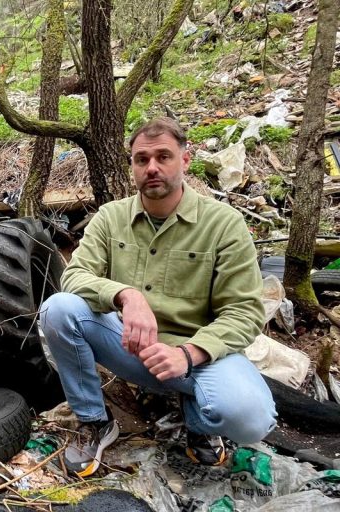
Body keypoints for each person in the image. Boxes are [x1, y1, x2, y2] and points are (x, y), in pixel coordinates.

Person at [40, 117, 277, 478]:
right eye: (141, 159)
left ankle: (199, 421)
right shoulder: (110, 217)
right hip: (131, 347)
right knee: (58, 309)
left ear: (185, 159)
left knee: (251, 418)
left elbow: (244, 312)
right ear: (132, 165)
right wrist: (125, 296)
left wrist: (188, 354)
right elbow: (73, 276)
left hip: (199, 358)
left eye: (163, 157)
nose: (152, 168)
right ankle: (95, 421)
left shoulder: (223, 225)